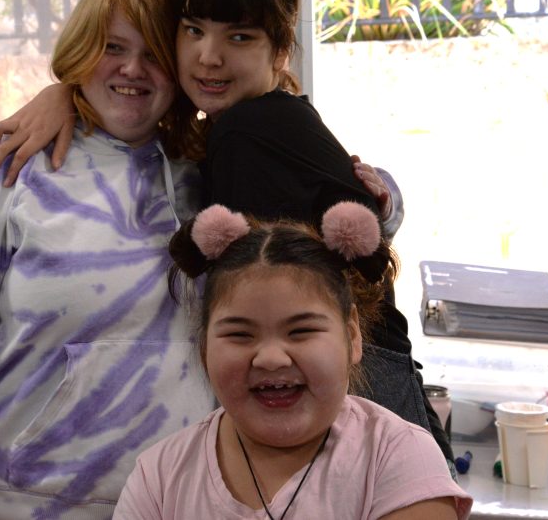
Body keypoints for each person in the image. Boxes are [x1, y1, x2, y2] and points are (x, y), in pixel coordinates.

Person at [0, 0, 453, 467]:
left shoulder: (249, 130)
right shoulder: (250, 122)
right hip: (359, 377)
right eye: (193, 30)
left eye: (239, 36)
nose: (208, 56)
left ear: (279, 50)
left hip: (357, 386)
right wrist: (63, 93)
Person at [0, 0, 215, 520]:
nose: (132, 69)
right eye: (112, 46)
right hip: (16, 506)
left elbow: (349, 203)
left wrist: (381, 201)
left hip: (181, 503)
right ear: (82, 50)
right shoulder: (11, 159)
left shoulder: (211, 171)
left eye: (155, 52)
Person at [113, 203, 472, 520]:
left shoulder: (399, 458)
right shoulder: (160, 476)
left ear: (352, 336)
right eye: (240, 335)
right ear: (205, 346)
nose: (270, 358)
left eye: (301, 331)